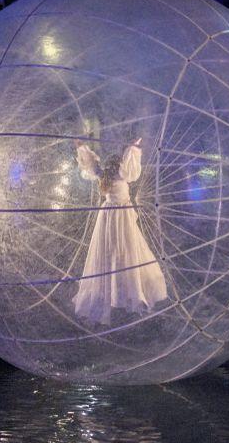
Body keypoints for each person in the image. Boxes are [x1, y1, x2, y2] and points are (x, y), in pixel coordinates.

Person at [72, 137, 168, 324]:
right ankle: (126, 289)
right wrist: (132, 147)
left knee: (109, 250)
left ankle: (115, 289)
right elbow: (130, 167)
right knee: (125, 248)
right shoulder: (122, 175)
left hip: (108, 216)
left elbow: (91, 164)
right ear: (119, 165)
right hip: (121, 216)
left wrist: (81, 147)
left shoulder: (102, 175)